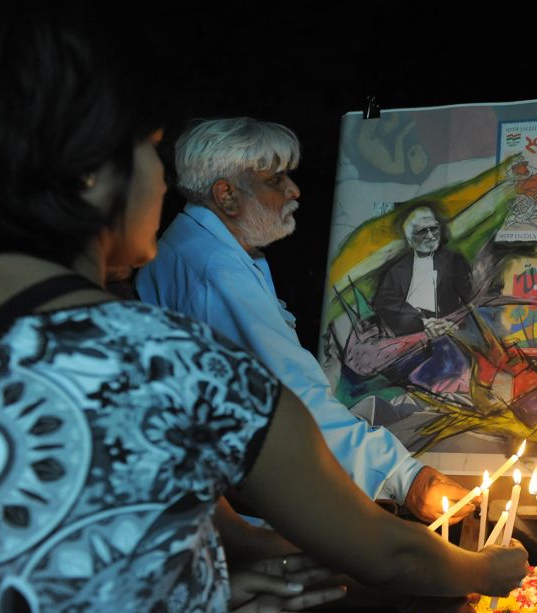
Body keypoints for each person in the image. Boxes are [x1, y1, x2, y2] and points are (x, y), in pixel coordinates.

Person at [0, 4, 527, 613]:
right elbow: (390, 552)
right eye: (149, 151)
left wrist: (201, 599)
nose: (162, 183)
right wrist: (483, 566)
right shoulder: (174, 363)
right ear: (88, 176)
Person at [135, 119, 467, 522]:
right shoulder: (217, 270)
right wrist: (407, 478)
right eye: (276, 180)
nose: (294, 190)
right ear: (226, 195)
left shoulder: (213, 248)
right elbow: (292, 404)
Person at [372, 204, 473, 337]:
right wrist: (421, 321)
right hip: (410, 330)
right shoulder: (398, 268)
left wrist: (453, 322)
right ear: (409, 237)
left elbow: (470, 297)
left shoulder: (453, 260)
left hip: (447, 327)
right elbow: (383, 301)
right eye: (423, 231)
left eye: (433, 229)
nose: (430, 235)